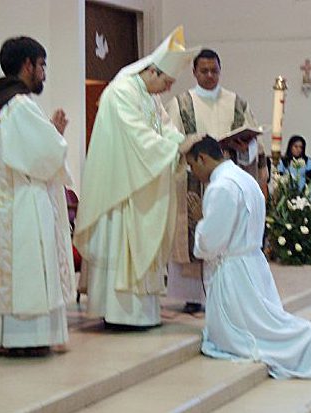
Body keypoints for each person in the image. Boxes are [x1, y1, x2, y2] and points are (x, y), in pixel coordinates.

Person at [73, 26, 199, 329]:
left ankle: (142, 313)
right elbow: (138, 139)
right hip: (123, 190)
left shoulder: (149, 96)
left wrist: (182, 144)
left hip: (142, 185)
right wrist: (175, 147)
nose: (168, 89)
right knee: (123, 246)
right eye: (167, 81)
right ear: (153, 71)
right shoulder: (121, 92)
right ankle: (120, 314)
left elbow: (165, 130)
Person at [185, 136, 311, 379]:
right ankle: (304, 336)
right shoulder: (245, 179)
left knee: (247, 334)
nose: (194, 172)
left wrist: (198, 218)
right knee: (264, 321)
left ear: (203, 158)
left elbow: (211, 243)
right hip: (251, 263)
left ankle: (306, 337)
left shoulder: (221, 186)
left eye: (193, 165)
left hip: (234, 271)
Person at [0, 37, 75, 356]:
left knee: (23, 269)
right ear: (27, 65)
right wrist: (57, 136)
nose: (44, 73)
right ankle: (27, 339)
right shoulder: (20, 105)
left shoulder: (6, 103)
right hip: (26, 203)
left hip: (18, 199)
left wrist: (49, 134)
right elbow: (46, 154)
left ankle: (17, 339)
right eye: (42, 65)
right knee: (30, 269)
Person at [165, 48, 269, 314]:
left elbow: (255, 145)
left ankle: (227, 290)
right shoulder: (180, 104)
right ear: (194, 72)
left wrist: (244, 145)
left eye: (214, 71)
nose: (210, 76)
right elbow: (169, 142)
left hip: (227, 176)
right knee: (194, 233)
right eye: (204, 71)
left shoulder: (237, 103)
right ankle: (193, 296)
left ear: (220, 71)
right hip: (193, 179)